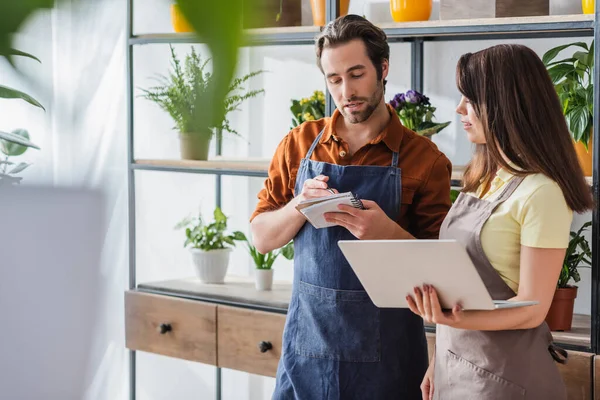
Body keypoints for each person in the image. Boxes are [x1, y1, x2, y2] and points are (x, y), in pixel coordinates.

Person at [250, 14, 452, 399]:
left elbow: (443, 275)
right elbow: (261, 238)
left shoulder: (423, 159)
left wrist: (388, 234)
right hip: (306, 355)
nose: (346, 91)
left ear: (383, 68)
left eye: (357, 74)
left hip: (389, 365)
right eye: (334, 79)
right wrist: (298, 206)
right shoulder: (299, 144)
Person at [407, 44, 594, 400]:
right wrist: (438, 359)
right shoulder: (482, 178)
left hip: (506, 380)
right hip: (456, 368)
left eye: (470, 99)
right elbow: (457, 287)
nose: (460, 109)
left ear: (505, 104)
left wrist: (453, 320)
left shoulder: (542, 193)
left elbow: (531, 309)